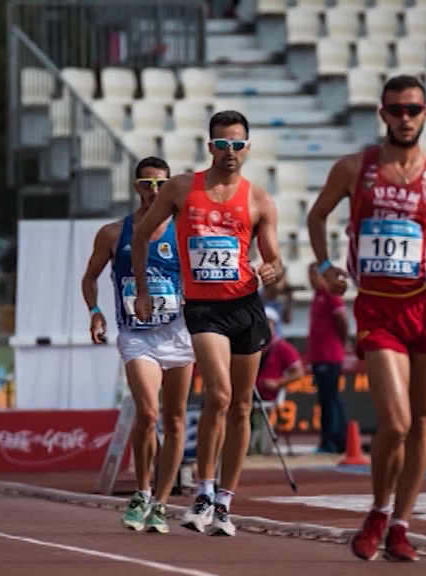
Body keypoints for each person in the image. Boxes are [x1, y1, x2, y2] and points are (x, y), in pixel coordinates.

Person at [305, 75, 426, 562]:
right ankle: (378, 510)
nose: (404, 117)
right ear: (382, 114)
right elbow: (317, 217)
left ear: (425, 113)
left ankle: (401, 524)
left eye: (412, 109)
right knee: (395, 423)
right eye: (395, 109)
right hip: (377, 307)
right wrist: (324, 265)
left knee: (422, 422)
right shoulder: (355, 168)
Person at [131, 110, 283, 537]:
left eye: (238, 144)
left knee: (240, 407)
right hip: (203, 309)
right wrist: (143, 290)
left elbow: (274, 260)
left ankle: (224, 503)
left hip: (245, 306)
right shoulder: (182, 188)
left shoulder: (258, 199)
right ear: (210, 145)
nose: (230, 151)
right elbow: (142, 234)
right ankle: (203, 490)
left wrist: (273, 270)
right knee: (218, 395)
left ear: (247, 148)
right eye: (222, 143)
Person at [80, 157, 195, 534]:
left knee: (175, 418)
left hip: (178, 333)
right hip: (137, 335)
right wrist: (95, 311)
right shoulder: (114, 233)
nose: (154, 192)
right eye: (147, 185)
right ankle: (142, 492)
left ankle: (161, 503)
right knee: (148, 413)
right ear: (136, 187)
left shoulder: (183, 232)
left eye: (162, 185)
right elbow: (90, 277)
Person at [306, 261, 349, 454]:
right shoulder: (317, 297)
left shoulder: (330, 295)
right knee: (327, 399)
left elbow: (342, 320)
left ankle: (332, 441)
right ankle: (335, 439)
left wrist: (341, 341)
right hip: (319, 356)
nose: (311, 280)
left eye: (313, 275)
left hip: (329, 355)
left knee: (330, 399)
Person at [251, 307, 304, 454]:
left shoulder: (282, 347)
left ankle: (258, 447)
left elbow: (299, 371)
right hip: (247, 393)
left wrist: (278, 383)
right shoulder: (251, 344)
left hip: (267, 395)